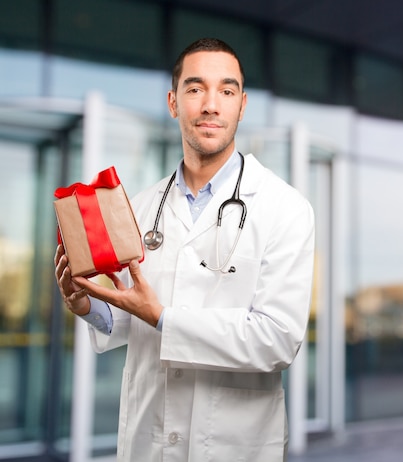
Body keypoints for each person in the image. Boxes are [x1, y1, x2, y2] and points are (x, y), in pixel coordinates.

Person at [54, 37, 315, 461]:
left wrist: (162, 318)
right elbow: (127, 316)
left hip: (233, 447)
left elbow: (277, 340)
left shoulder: (285, 208)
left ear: (241, 106)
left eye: (226, 91)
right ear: (174, 102)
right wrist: (87, 304)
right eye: (195, 89)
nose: (211, 104)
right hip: (146, 442)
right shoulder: (139, 208)